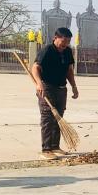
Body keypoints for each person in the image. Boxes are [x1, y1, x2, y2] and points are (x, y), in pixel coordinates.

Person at [31, 27, 79, 160]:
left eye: (67, 42)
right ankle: (46, 149)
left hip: (61, 88)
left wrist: (74, 86)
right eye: (63, 42)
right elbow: (35, 67)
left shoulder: (68, 51)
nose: (65, 45)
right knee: (47, 118)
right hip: (47, 87)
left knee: (59, 117)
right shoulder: (47, 50)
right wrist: (39, 83)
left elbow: (69, 70)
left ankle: (55, 146)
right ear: (55, 38)